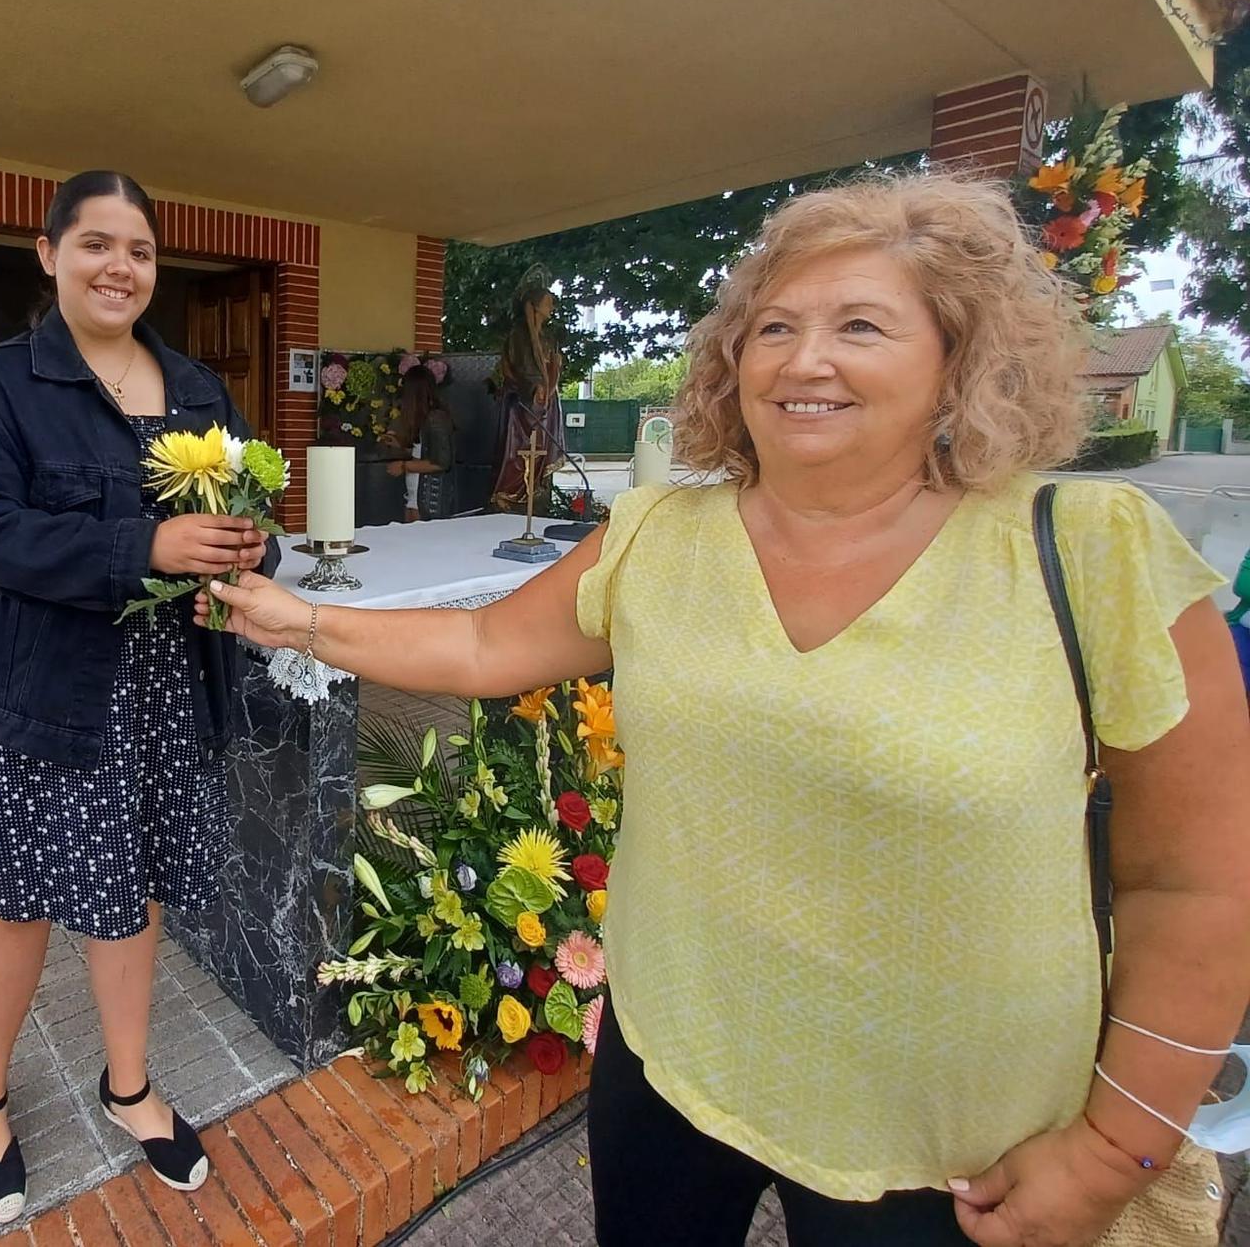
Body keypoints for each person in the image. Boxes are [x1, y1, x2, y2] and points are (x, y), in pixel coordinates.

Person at [205, 174, 1250, 1247]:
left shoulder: (1085, 549)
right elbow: (482, 643)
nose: (803, 359)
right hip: (669, 1069)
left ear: (958, 355)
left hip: (951, 1148)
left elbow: (1193, 883)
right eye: (773, 328)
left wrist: (1113, 1148)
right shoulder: (662, 533)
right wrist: (294, 623)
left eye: (859, 325)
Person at [0, 169, 274, 1226]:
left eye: (140, 251)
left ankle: (128, 1086)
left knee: (133, 893)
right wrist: (142, 544)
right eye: (96, 245)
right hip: (37, 689)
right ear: (49, 254)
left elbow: (247, 508)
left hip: (162, 690)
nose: (120, 267)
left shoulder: (198, 390)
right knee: (15, 901)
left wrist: (248, 546)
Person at [488, 266, 566, 512]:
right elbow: (520, 368)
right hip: (524, 404)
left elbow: (553, 365)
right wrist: (535, 388)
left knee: (540, 454)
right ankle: (510, 494)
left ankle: (536, 490)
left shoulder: (548, 337)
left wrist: (550, 380)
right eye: (547, 302)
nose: (551, 308)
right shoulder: (520, 335)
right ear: (534, 305)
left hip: (546, 402)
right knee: (520, 452)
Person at [383, 362, 455, 521]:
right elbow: (425, 452)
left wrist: (403, 466)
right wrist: (401, 445)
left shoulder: (436, 418)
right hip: (415, 496)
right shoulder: (424, 417)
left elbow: (441, 462)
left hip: (429, 499)